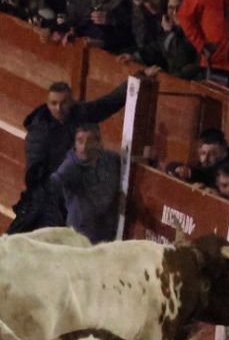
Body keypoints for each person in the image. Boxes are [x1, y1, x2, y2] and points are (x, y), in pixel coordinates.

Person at [8, 73, 151, 231]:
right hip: (51, 198)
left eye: (63, 103)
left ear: (71, 101)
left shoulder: (79, 114)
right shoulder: (40, 131)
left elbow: (107, 103)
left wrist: (139, 77)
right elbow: (35, 175)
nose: (58, 108)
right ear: (47, 104)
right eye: (54, 103)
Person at [50, 123, 120, 244]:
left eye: (90, 141)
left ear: (98, 143)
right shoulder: (71, 166)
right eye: (80, 141)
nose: (84, 147)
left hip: (105, 234)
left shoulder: (111, 159)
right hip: (79, 235)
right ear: (75, 144)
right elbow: (53, 182)